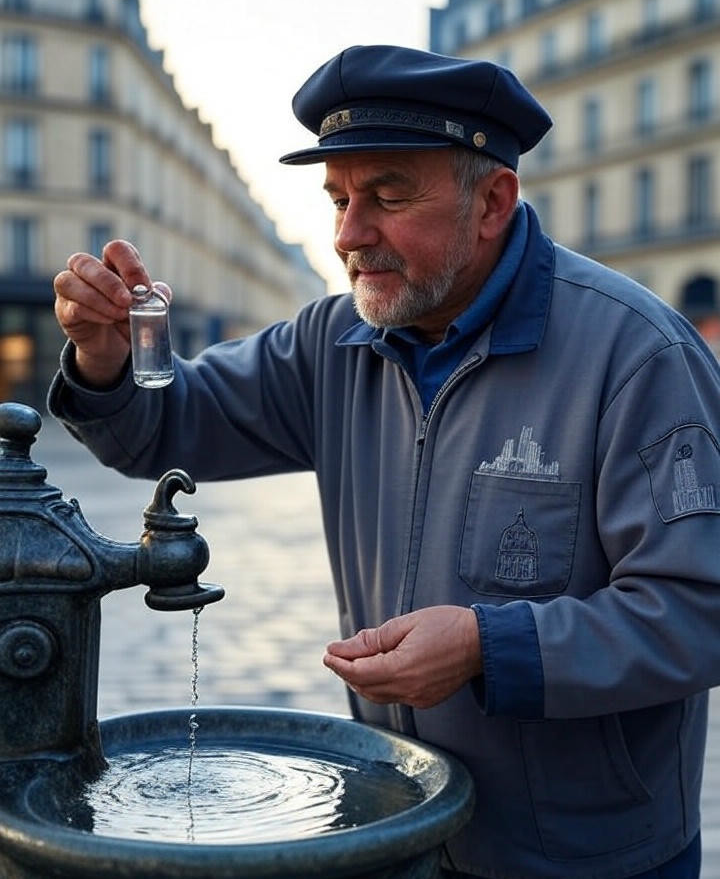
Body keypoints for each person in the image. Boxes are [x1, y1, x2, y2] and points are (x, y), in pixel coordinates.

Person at [48, 45, 720, 879]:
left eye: (386, 196)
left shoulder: (636, 353)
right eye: (337, 198)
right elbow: (164, 425)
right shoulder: (332, 343)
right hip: (394, 835)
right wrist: (107, 359)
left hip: (589, 857)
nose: (346, 235)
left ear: (493, 203)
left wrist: (486, 645)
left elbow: (698, 610)